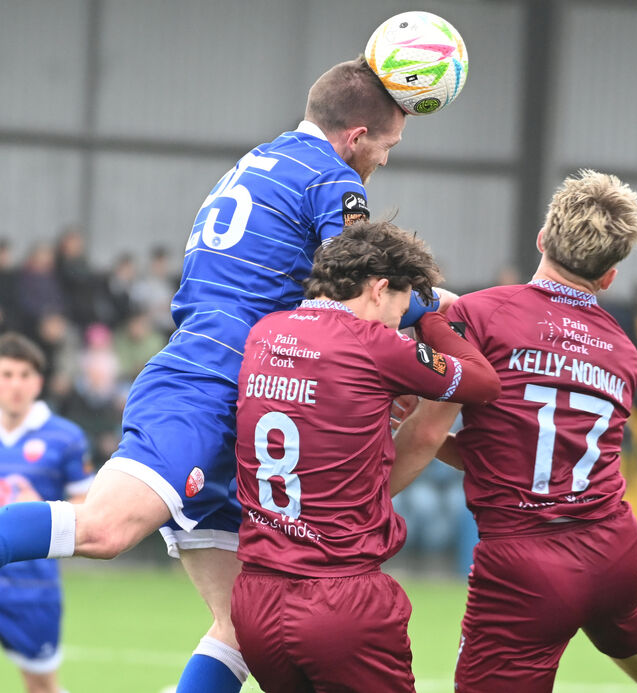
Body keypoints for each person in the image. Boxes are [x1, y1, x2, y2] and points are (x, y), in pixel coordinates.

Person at [0, 55, 435, 693]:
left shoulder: (263, 159)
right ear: (356, 138)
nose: (387, 160)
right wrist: (451, 309)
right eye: (389, 145)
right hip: (211, 373)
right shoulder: (329, 178)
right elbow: (365, 278)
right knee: (105, 528)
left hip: (249, 387)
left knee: (242, 627)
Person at [391, 170, 637, 692]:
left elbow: (426, 435)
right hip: (612, 544)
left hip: (527, 563)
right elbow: (530, 445)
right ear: (610, 276)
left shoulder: (481, 314)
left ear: (542, 238)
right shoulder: (622, 349)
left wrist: (360, 500)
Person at [231, 221, 500, 692]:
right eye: (401, 306)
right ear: (379, 288)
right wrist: (433, 317)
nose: (401, 321)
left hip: (257, 600)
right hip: (340, 601)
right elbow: (483, 382)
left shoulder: (265, 334)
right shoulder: (375, 344)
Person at [0, 332, 93, 693]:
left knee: (40, 685)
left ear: (38, 382)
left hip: (33, 588)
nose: (16, 385)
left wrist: (40, 510)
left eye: (24, 375)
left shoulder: (65, 437)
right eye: (6, 374)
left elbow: (90, 512)